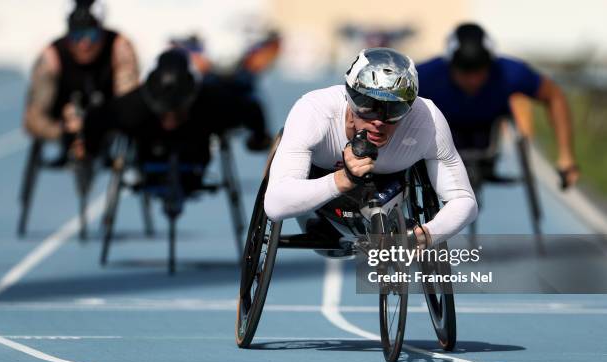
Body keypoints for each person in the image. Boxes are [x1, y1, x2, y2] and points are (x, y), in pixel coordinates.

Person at [264, 48, 477, 247]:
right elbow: (275, 204)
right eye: (367, 106)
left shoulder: (427, 120)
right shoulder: (314, 111)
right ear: (349, 96)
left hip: (390, 187)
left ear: (410, 107)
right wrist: (344, 179)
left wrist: (428, 233)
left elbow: (464, 200)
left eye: (394, 109)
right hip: (320, 192)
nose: (379, 121)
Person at [69, 49, 271, 185]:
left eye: (177, 110)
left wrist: (259, 138)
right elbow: (95, 117)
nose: (171, 119)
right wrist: (89, 149)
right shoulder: (133, 106)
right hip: (149, 165)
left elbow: (251, 109)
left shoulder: (212, 101)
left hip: (194, 165)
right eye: (165, 111)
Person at [416, 22, 578, 188]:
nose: (473, 80)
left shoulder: (509, 72)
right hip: (444, 131)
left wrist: (566, 156)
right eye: (465, 72)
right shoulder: (426, 75)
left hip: (486, 134)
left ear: (490, 65)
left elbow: (554, 96)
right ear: (450, 66)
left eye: (479, 71)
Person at [23, 0, 139, 157]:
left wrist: (98, 125)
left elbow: (130, 104)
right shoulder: (52, 57)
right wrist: (61, 132)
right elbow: (33, 118)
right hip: (64, 122)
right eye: (77, 36)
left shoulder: (118, 47)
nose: (84, 44)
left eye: (91, 35)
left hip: (107, 117)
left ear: (101, 32)